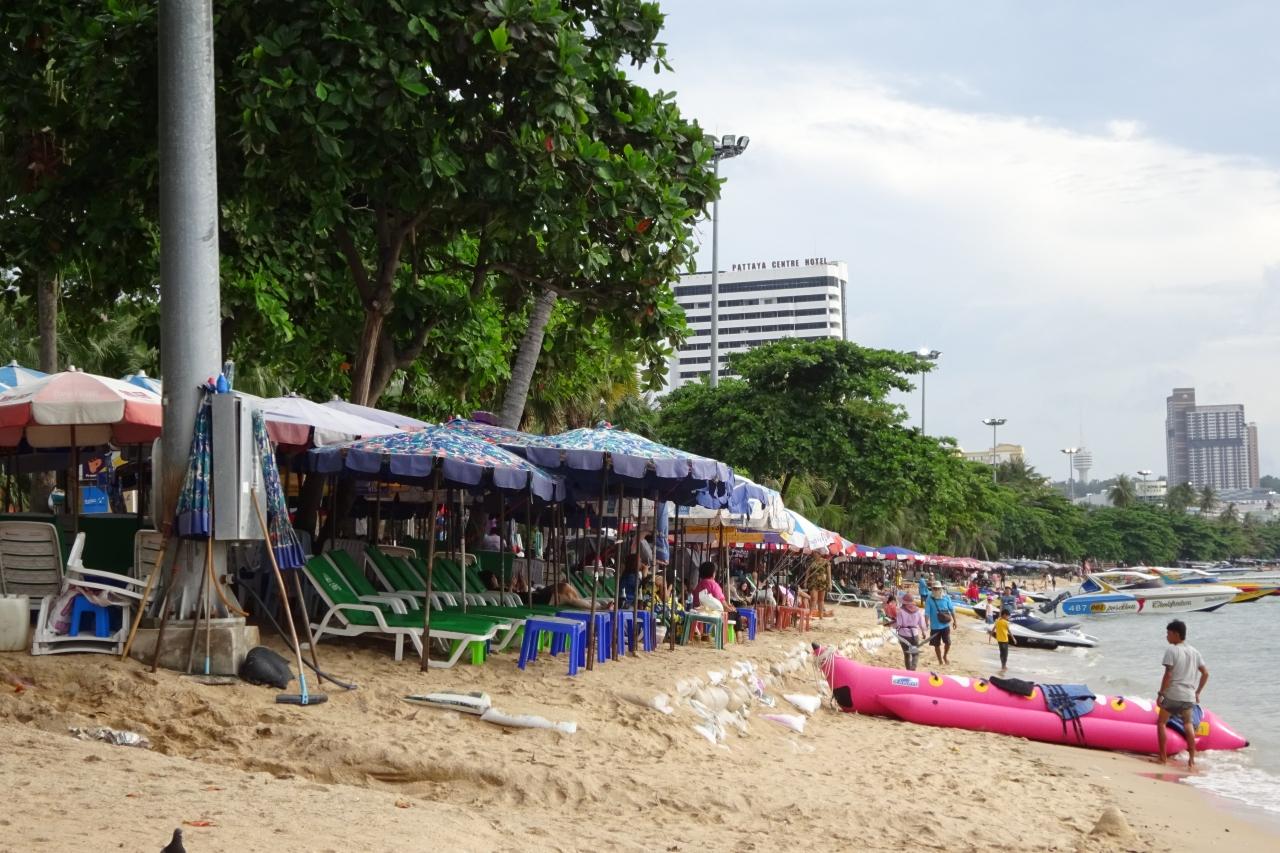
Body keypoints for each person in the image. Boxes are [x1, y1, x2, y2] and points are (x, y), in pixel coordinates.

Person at [1156, 619, 1210, 767]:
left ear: (1176, 634)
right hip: (1189, 696)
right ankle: (1191, 760)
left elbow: (1168, 674)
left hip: (1173, 694)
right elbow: (1205, 673)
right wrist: (1198, 692)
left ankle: (1163, 758)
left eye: (1168, 633)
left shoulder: (1172, 650)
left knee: (1161, 722)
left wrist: (1161, 694)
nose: (1166, 636)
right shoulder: (1195, 652)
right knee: (1188, 724)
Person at [924, 580, 955, 665]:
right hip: (934, 627)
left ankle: (945, 656)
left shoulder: (946, 597)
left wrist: (955, 621)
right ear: (932, 589)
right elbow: (927, 612)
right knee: (936, 645)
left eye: (938, 588)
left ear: (941, 589)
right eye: (935, 588)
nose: (936, 590)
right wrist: (926, 623)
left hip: (945, 625)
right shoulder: (929, 598)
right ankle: (940, 660)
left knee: (948, 642)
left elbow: (952, 609)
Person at [894, 593, 927, 670]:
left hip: (903, 635)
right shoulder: (918, 611)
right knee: (915, 654)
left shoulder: (900, 611)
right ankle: (913, 668)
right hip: (914, 634)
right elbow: (922, 624)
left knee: (906, 655)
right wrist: (923, 632)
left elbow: (899, 624)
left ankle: (908, 671)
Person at [989, 608, 1012, 672]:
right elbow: (1009, 631)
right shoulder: (1006, 622)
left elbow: (993, 629)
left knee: (1002, 653)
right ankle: (1003, 666)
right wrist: (1013, 638)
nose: (1008, 617)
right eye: (1007, 616)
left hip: (999, 640)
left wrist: (990, 636)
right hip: (1005, 640)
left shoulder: (997, 621)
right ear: (1004, 615)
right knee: (1005, 654)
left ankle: (1003, 665)